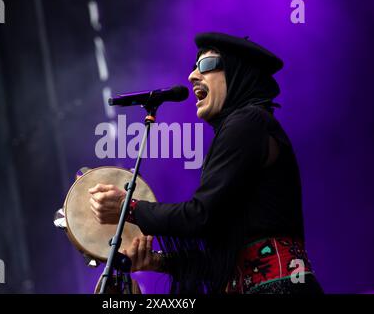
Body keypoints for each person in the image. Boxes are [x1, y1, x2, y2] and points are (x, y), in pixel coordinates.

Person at [88, 32, 324, 294]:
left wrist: (128, 207)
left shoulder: (248, 121)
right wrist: (156, 261)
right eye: (193, 67)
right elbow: (223, 263)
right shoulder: (242, 130)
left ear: (237, 73)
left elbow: (199, 216)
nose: (192, 76)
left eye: (207, 65)